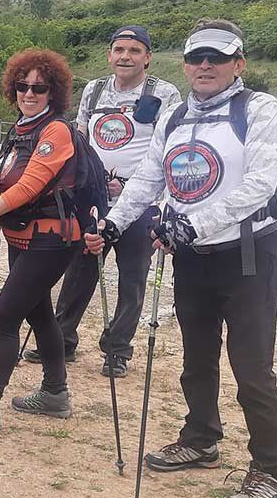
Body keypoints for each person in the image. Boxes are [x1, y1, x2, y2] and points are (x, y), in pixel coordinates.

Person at [84, 19, 277, 498]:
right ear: (184, 64)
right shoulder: (176, 116)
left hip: (247, 257)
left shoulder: (260, 109)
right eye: (197, 57)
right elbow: (148, 178)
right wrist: (113, 224)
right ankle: (200, 437)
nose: (205, 66)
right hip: (193, 259)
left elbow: (259, 185)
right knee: (196, 359)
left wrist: (192, 225)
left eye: (217, 59)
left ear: (237, 65)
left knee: (252, 368)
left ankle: (271, 472)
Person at [23, 26, 181, 376]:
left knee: (132, 276)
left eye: (135, 50)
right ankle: (61, 340)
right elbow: (79, 137)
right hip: (94, 198)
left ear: (148, 57)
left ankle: (117, 350)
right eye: (119, 49)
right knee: (79, 269)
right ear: (110, 55)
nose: (126, 56)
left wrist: (151, 192)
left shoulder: (165, 94)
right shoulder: (94, 91)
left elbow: (169, 148)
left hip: (140, 202)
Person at [0, 49, 78, 442]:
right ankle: (55, 393)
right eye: (23, 85)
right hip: (22, 236)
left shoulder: (55, 131)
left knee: (6, 315)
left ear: (53, 91)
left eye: (39, 87)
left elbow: (31, 186)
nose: (29, 93)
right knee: (38, 312)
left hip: (50, 238)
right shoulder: (21, 130)